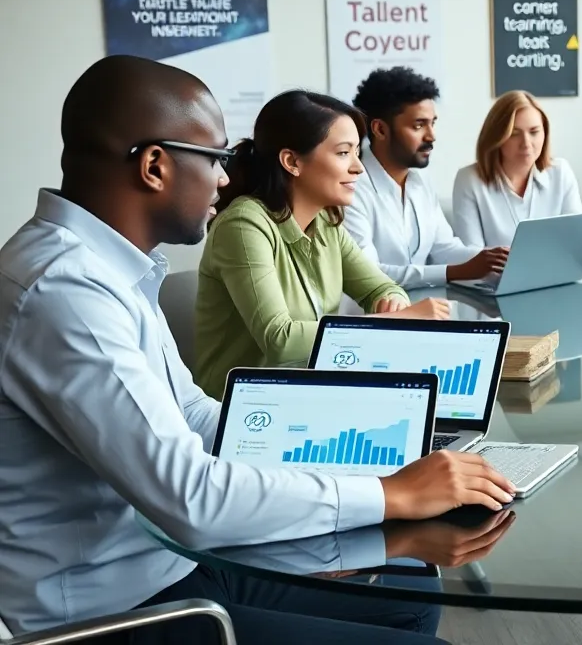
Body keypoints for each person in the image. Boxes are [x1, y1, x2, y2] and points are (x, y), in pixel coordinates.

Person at [0, 55, 514, 642]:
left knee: (408, 587)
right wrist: (389, 492)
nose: (225, 177)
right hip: (120, 607)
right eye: (215, 158)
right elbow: (188, 495)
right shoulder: (63, 290)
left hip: (174, 562)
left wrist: (370, 452)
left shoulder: (108, 269)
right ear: (154, 166)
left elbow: (192, 414)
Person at [194, 90, 452, 399]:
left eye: (358, 152)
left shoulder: (327, 223)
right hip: (243, 412)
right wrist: (393, 321)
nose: (358, 167)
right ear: (292, 162)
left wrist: (391, 301)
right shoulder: (244, 225)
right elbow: (281, 341)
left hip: (311, 397)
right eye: (344, 153)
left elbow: (381, 288)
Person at [346, 66, 509, 289]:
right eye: (419, 125)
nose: (431, 136)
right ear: (380, 130)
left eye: (433, 123)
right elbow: (369, 274)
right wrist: (456, 272)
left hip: (422, 311)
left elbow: (445, 249)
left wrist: (497, 262)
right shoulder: (350, 188)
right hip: (371, 318)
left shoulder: (421, 182)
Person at [452, 89, 582, 247]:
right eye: (514, 134)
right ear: (496, 137)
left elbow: (576, 243)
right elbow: (471, 257)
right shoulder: (469, 180)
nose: (526, 143)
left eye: (534, 132)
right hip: (495, 273)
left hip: (554, 271)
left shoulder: (560, 172)